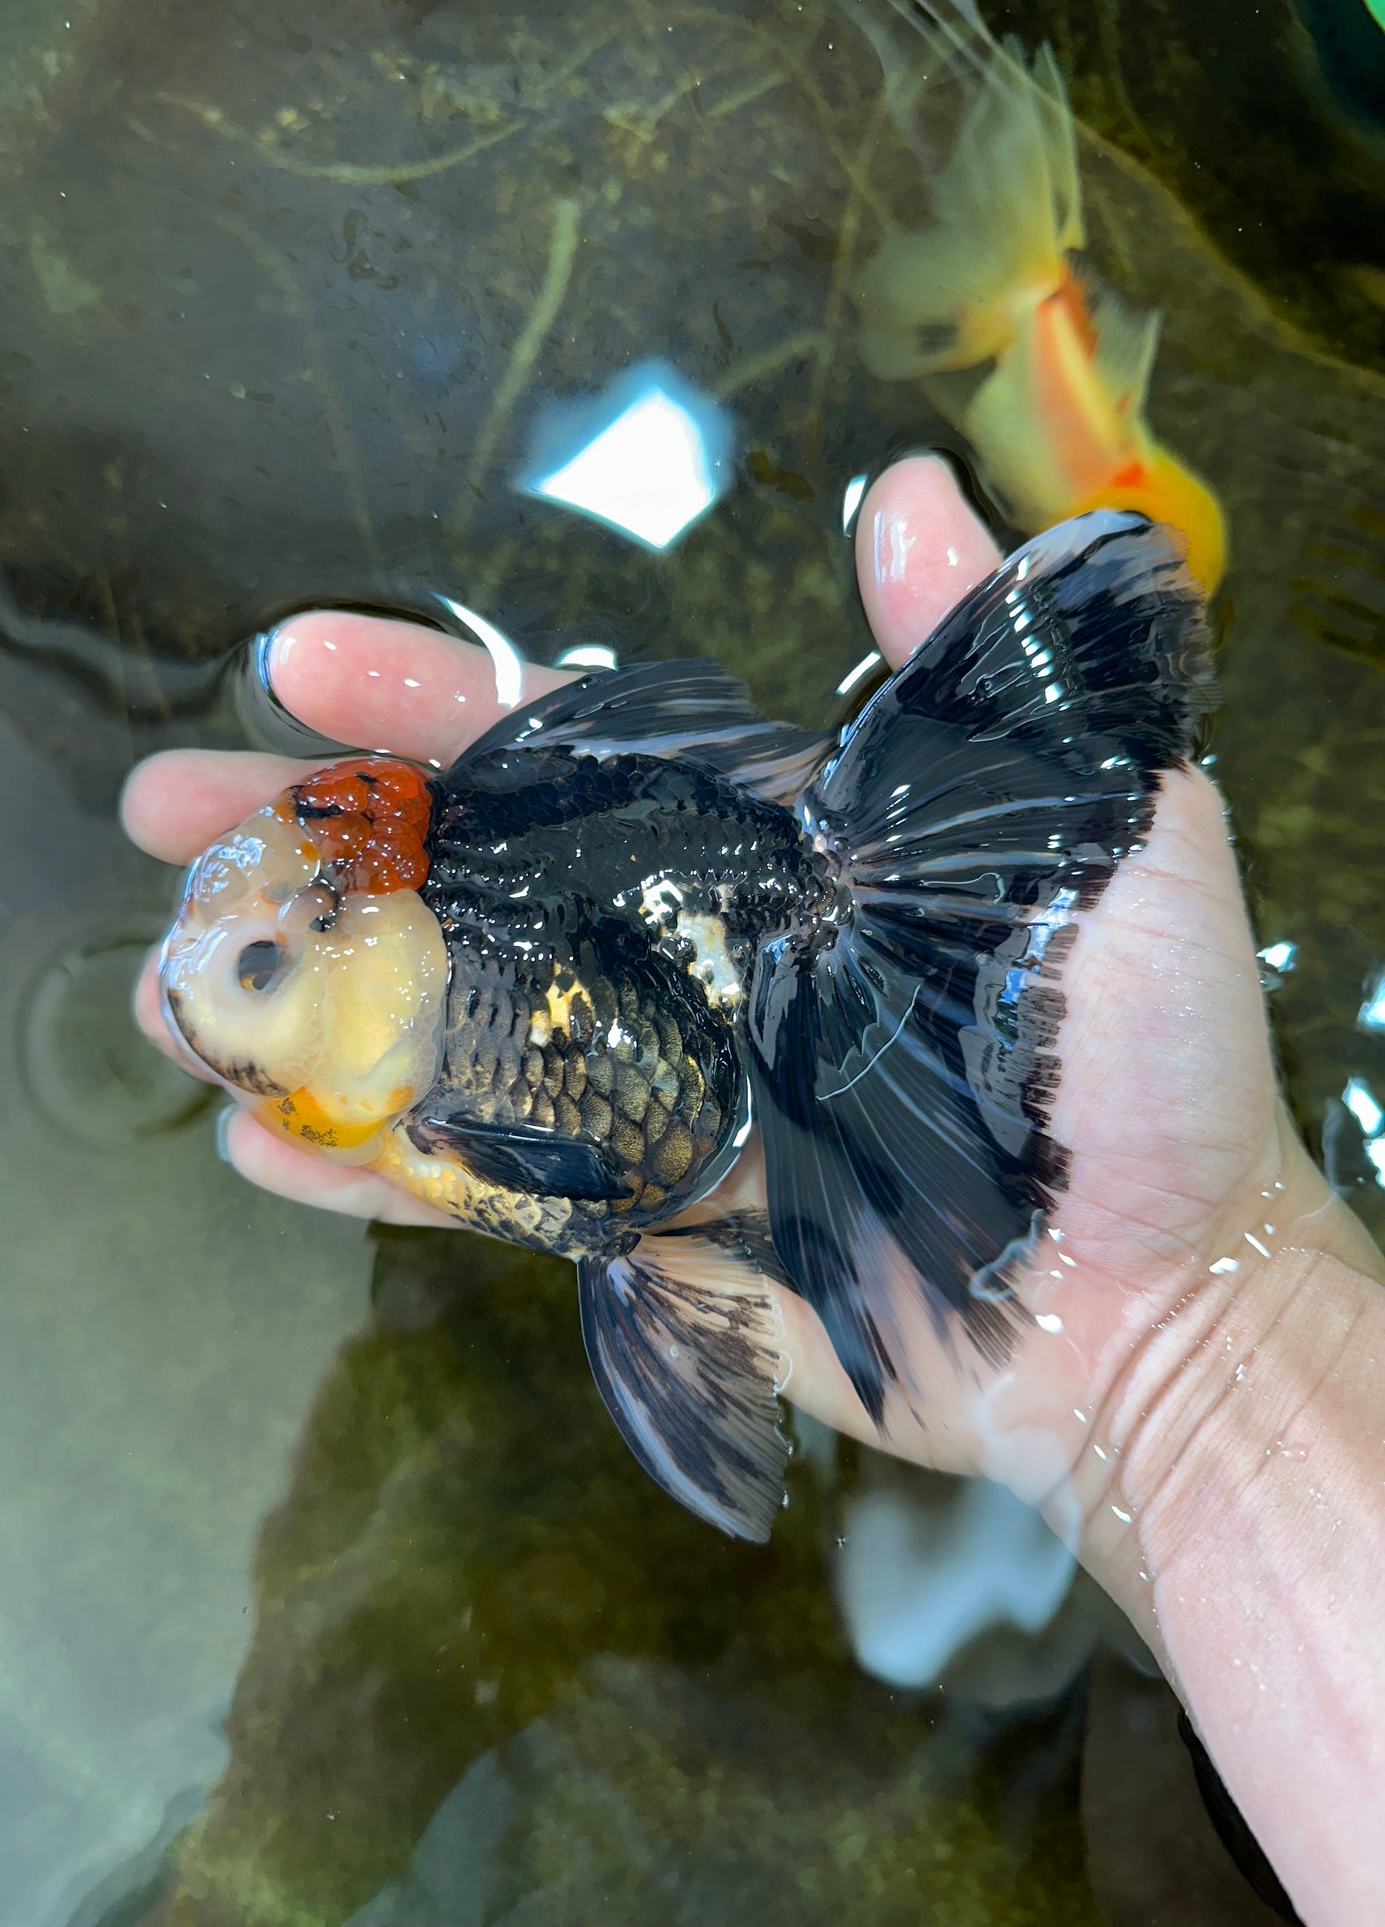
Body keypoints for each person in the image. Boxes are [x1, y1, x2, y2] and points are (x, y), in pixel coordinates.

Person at [124, 455, 1385, 1927]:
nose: (212, 989)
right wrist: (1198, 1359)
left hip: (725, 1003)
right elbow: (603, 1202)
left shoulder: (445, 1079)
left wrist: (1182, 1347)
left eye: (263, 966)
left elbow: (588, 1194)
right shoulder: (424, 1048)